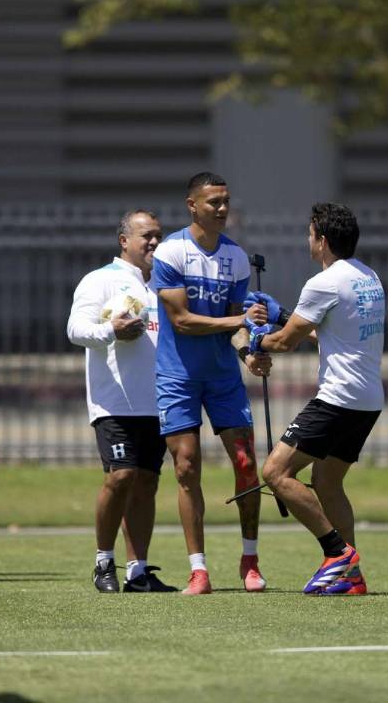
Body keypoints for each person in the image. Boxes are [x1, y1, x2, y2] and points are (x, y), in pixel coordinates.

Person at [252, 203, 385, 595]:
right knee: (327, 483)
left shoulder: (323, 281)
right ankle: (352, 579)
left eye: (310, 234)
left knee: (276, 473)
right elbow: (326, 333)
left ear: (322, 240)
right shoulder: (369, 277)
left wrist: (254, 339)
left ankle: (337, 554)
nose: (307, 240)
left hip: (337, 399)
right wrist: (281, 316)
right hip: (367, 400)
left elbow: (286, 343)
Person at [151, 172, 273, 595]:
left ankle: (251, 561)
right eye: (213, 202)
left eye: (225, 201)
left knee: (246, 465)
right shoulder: (171, 252)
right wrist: (239, 320)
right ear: (192, 205)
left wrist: (248, 352)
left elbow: (235, 328)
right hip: (178, 377)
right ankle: (198, 570)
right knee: (186, 467)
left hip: (223, 379)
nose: (221, 209)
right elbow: (182, 322)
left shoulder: (236, 257)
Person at [67, 209, 176, 593]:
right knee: (121, 476)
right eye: (146, 235)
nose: (154, 243)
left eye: (159, 236)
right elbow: (75, 329)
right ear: (124, 241)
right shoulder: (100, 280)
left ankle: (138, 571)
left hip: (157, 402)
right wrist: (110, 331)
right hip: (115, 403)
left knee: (146, 483)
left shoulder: (163, 285)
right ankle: (103, 562)